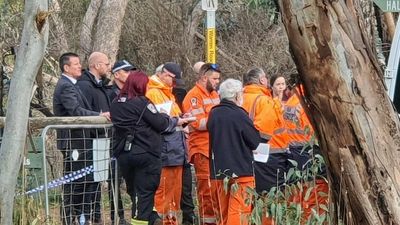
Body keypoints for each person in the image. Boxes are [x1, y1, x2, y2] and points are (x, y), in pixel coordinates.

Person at [110, 70, 193, 225]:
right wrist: (174, 120)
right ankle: (142, 220)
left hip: (124, 153)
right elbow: (160, 123)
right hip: (145, 153)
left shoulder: (115, 103)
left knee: (134, 191)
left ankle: (152, 218)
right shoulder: (142, 103)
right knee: (145, 193)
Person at [53, 52, 110, 225]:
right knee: (74, 182)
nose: (80, 66)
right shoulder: (65, 86)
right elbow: (75, 111)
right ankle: (69, 218)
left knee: (84, 180)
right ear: (66, 67)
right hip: (73, 142)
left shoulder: (74, 84)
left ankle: (81, 217)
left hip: (82, 141)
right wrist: (99, 115)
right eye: (76, 64)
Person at [207, 78, 261, 225]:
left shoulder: (213, 113)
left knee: (223, 214)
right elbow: (254, 141)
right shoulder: (240, 114)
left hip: (218, 171)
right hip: (241, 171)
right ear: (237, 96)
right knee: (239, 212)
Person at [146, 62, 188, 225]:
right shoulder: (155, 93)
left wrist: (182, 120)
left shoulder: (168, 94)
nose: (175, 83)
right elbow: (160, 122)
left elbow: (172, 118)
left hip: (175, 151)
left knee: (173, 195)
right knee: (163, 193)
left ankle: (170, 221)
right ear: (164, 75)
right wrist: (179, 121)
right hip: (166, 151)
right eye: (173, 79)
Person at [76, 51, 112, 223]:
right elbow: (83, 110)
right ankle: (85, 216)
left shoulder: (101, 85)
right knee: (87, 181)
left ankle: (96, 215)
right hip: (89, 140)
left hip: (102, 138)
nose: (108, 66)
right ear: (97, 65)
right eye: (106, 63)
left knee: (97, 179)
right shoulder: (84, 85)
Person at [182, 62, 220, 225]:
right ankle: (207, 221)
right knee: (206, 190)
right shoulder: (194, 96)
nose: (218, 81)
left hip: (215, 148)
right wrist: (221, 120)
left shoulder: (213, 94)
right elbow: (199, 123)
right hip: (202, 150)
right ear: (204, 78)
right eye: (215, 78)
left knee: (216, 189)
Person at [242, 68, 288, 194]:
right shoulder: (263, 101)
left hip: (244, 155)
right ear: (262, 80)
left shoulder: (239, 98)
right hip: (267, 155)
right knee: (269, 196)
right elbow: (263, 134)